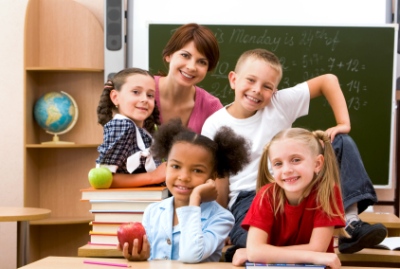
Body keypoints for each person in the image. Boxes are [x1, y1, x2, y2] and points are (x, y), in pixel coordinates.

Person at [201, 48, 387, 262]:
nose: (256, 90)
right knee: (248, 237)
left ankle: (351, 224)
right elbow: (220, 180)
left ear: (275, 90)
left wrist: (343, 123)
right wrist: (220, 223)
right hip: (248, 199)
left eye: (266, 86)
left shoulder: (278, 103)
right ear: (233, 79)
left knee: (341, 140)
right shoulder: (214, 125)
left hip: (291, 188)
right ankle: (252, 250)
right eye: (250, 80)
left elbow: (328, 80)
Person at [119, 118, 251, 262]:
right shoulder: (152, 212)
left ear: (212, 176)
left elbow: (191, 255)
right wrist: (142, 257)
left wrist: (196, 197)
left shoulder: (221, 218)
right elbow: (152, 258)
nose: (184, 177)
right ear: (166, 165)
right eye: (175, 166)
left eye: (197, 170)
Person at [242, 128, 345, 269]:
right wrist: (312, 256)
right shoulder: (266, 195)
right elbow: (255, 252)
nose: (287, 170)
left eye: (296, 160)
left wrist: (262, 253)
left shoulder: (327, 192)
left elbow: (317, 249)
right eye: (278, 163)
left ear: (317, 164)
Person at [96, 67, 166, 188]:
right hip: (130, 205)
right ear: (115, 97)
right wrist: (153, 176)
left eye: (150, 95)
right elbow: (105, 178)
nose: (144, 99)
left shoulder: (143, 130)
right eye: (136, 92)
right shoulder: (122, 126)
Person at [154, 23, 223, 134]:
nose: (191, 67)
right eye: (185, 55)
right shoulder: (138, 88)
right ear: (169, 55)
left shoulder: (212, 107)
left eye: (202, 62)